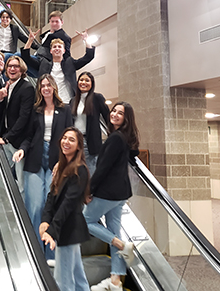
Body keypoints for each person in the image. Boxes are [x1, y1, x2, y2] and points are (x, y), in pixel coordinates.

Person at [13, 74, 72, 261]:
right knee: (35, 205)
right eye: (42, 85)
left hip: (57, 162)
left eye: (48, 85)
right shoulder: (36, 110)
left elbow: (70, 137)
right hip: (35, 160)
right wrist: (22, 149)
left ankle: (51, 253)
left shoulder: (64, 110)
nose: (45, 88)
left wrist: (63, 161)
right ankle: (35, 253)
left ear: (54, 87)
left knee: (52, 206)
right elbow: (29, 136)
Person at [84, 101, 140, 291]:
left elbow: (103, 168)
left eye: (120, 113)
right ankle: (115, 281)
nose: (115, 114)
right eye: (114, 111)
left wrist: (89, 190)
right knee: (114, 230)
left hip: (108, 192)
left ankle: (120, 244)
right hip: (121, 193)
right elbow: (133, 154)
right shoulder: (123, 138)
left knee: (85, 220)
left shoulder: (115, 138)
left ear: (126, 118)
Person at [40, 127, 90, 291]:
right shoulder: (61, 167)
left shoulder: (79, 170)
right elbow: (51, 196)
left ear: (78, 147)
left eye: (72, 140)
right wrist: (45, 221)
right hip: (68, 231)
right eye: (64, 138)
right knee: (78, 277)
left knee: (63, 282)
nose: (66, 142)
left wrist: (52, 231)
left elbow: (67, 204)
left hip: (69, 229)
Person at [0, 56, 35, 193]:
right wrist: (0, 99)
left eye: (16, 66)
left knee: (21, 183)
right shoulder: (7, 86)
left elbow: (24, 117)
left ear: (22, 70)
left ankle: (22, 212)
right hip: (7, 139)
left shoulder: (27, 88)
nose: (12, 69)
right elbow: (1, 114)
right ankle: (13, 198)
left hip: (18, 142)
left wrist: (6, 138)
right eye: (9, 66)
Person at [21, 33, 95, 104]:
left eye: (59, 47)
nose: (57, 48)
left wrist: (86, 40)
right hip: (47, 103)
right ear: (51, 51)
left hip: (67, 102)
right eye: (54, 47)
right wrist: (30, 40)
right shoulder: (44, 63)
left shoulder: (70, 63)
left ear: (64, 50)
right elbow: (26, 58)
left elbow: (88, 57)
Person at [70, 72, 111, 175]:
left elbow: (108, 117)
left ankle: (91, 192)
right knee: (76, 174)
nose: (83, 82)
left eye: (87, 80)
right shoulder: (73, 101)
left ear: (92, 83)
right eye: (81, 80)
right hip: (75, 141)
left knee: (90, 174)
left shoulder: (97, 98)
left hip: (89, 142)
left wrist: (113, 134)